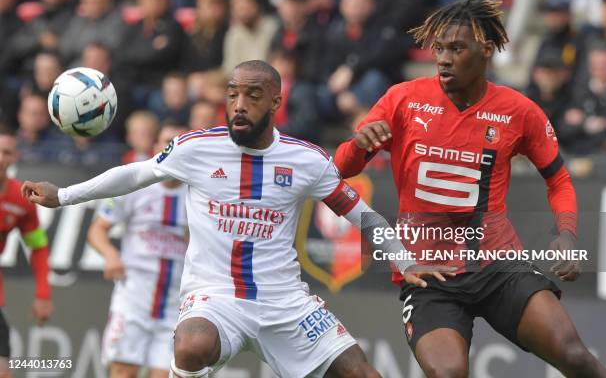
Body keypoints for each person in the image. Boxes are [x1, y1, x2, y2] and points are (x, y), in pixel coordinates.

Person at [21, 60, 446, 378]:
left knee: (362, 374)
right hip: (215, 295)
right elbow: (136, 173)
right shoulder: (194, 148)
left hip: (285, 302)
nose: (239, 105)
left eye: (253, 95)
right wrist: (64, 195)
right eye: (232, 94)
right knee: (191, 344)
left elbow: (362, 215)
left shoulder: (306, 160)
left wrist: (404, 260)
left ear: (276, 101)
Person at [333, 0, 606, 378]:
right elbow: (340, 169)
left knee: (574, 354)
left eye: (456, 49)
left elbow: (559, 179)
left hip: (498, 267)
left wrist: (566, 233)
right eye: (439, 48)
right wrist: (357, 146)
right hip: (428, 274)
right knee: (448, 373)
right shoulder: (403, 99)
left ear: (485, 51)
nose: (443, 58)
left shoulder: (518, 110)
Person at [89, 121, 189, 378]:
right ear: (156, 147)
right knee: (124, 370)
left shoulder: (197, 194)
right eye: (168, 143)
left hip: (175, 304)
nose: (174, 150)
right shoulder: (133, 182)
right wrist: (111, 255)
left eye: (180, 144)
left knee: (166, 375)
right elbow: (97, 230)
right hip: (134, 298)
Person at [0, 125, 53, 377]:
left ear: (15, 157)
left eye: (7, 152)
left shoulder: (21, 200)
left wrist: (43, 293)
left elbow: (38, 247)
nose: (1, 158)